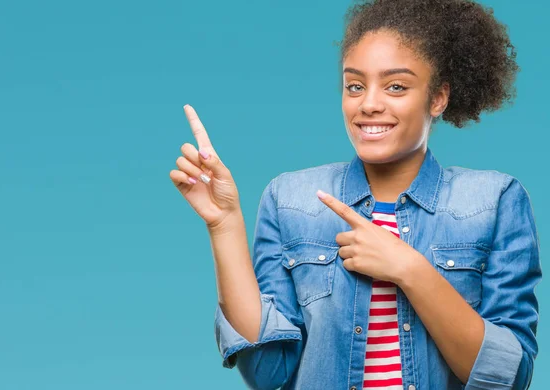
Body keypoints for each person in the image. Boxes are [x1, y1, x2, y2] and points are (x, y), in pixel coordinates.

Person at [169, 0, 541, 388]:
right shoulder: (291, 200)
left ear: (438, 97)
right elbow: (266, 371)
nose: (369, 104)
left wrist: (409, 270)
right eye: (355, 86)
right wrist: (224, 224)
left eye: (396, 86)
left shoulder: (493, 202)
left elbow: (508, 377)